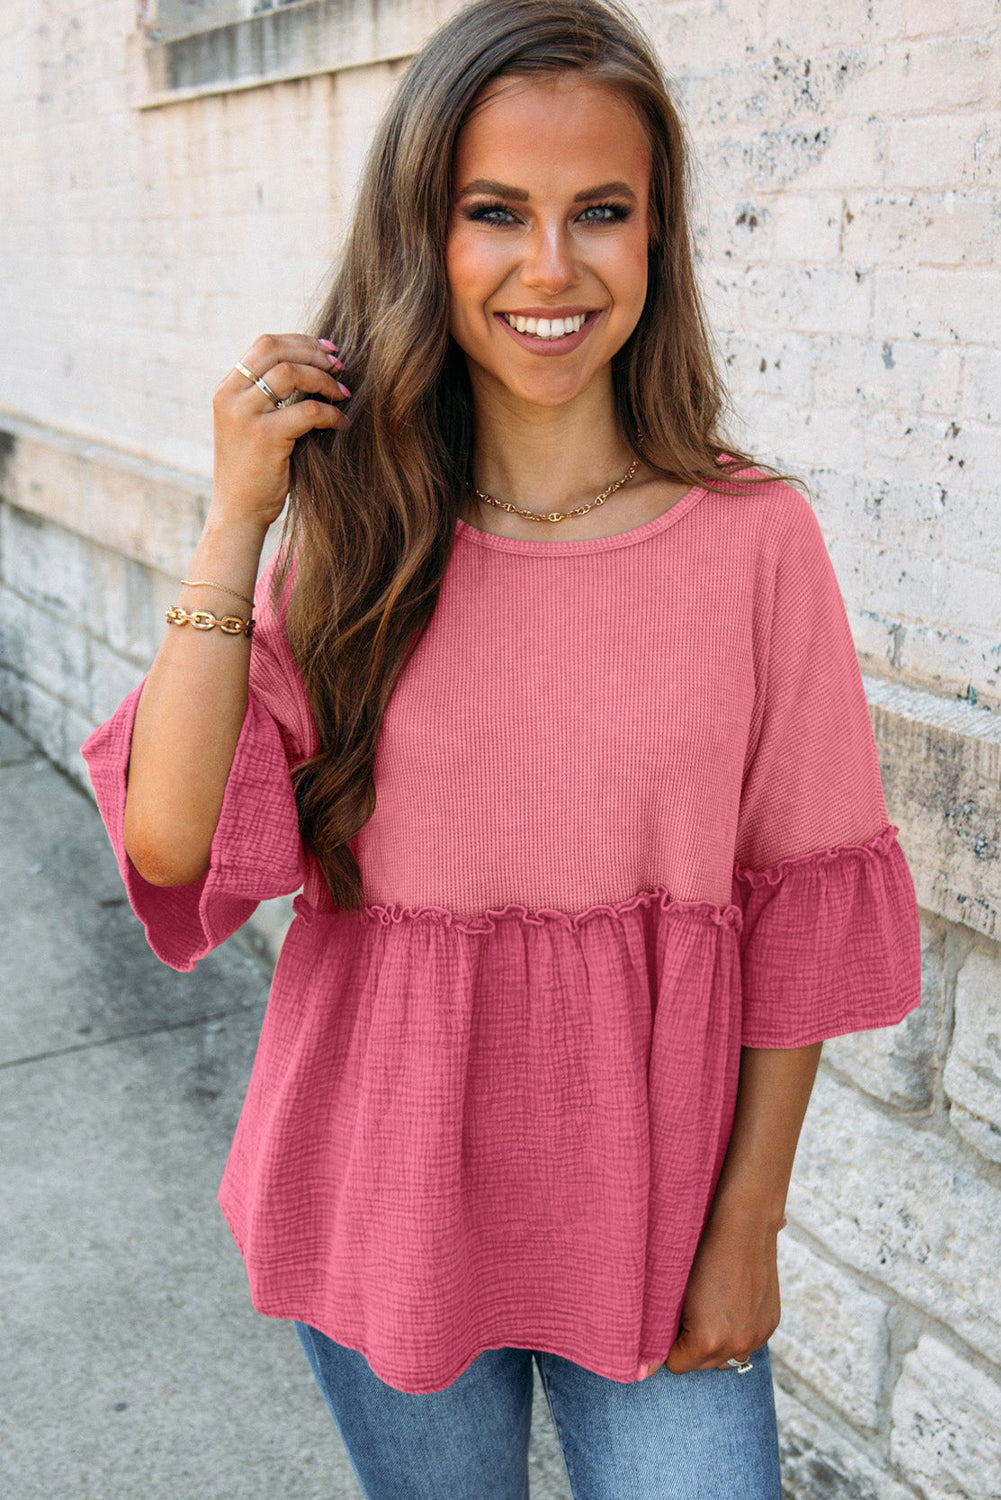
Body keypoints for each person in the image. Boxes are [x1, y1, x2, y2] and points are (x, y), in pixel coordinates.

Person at [81, 0, 923, 1494]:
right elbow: (168, 842)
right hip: (381, 1187)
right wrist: (234, 522)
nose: (551, 268)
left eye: (600, 211)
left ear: (656, 240)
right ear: (427, 238)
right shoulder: (348, 541)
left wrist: (749, 1230)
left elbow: (798, 909)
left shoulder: (755, 544)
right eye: (495, 214)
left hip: (656, 1217)